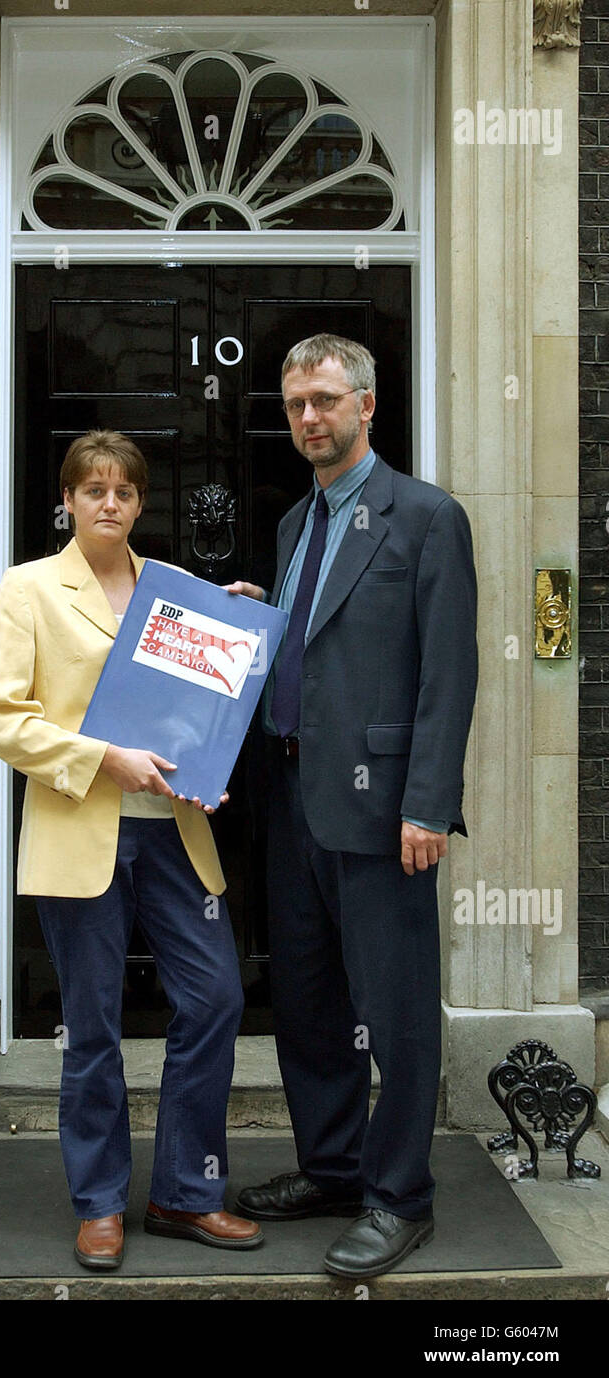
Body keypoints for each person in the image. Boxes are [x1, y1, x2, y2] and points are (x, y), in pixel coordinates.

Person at [0, 429, 263, 1270]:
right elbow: (0, 718)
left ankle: (185, 1192)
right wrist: (103, 757)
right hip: (79, 835)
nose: (110, 503)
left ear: (141, 503)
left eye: (125, 491)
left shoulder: (173, 589)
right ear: (65, 500)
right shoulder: (29, 588)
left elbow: (199, 703)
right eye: (92, 489)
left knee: (214, 1001)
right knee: (93, 1027)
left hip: (174, 835)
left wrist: (233, 629)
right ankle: (100, 1204)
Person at [224, 335, 478, 1277]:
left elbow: (449, 675)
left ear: (367, 405)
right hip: (292, 801)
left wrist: (428, 805)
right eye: (294, 404)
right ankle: (332, 1168)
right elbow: (321, 649)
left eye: (325, 400)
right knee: (310, 1002)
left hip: (383, 814)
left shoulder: (424, 517)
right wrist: (259, 622)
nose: (307, 419)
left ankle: (400, 1195)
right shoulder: (296, 526)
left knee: (397, 1006)